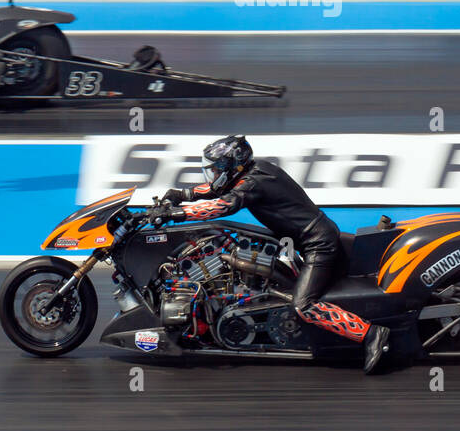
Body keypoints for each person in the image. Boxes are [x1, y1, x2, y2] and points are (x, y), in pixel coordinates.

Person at [151, 135, 392, 373]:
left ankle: (370, 334)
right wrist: (184, 195)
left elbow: (224, 205)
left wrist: (177, 214)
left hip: (317, 244)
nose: (213, 175)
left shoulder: (254, 183)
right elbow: (217, 189)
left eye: (216, 170)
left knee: (303, 304)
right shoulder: (258, 170)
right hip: (308, 238)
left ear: (232, 165)